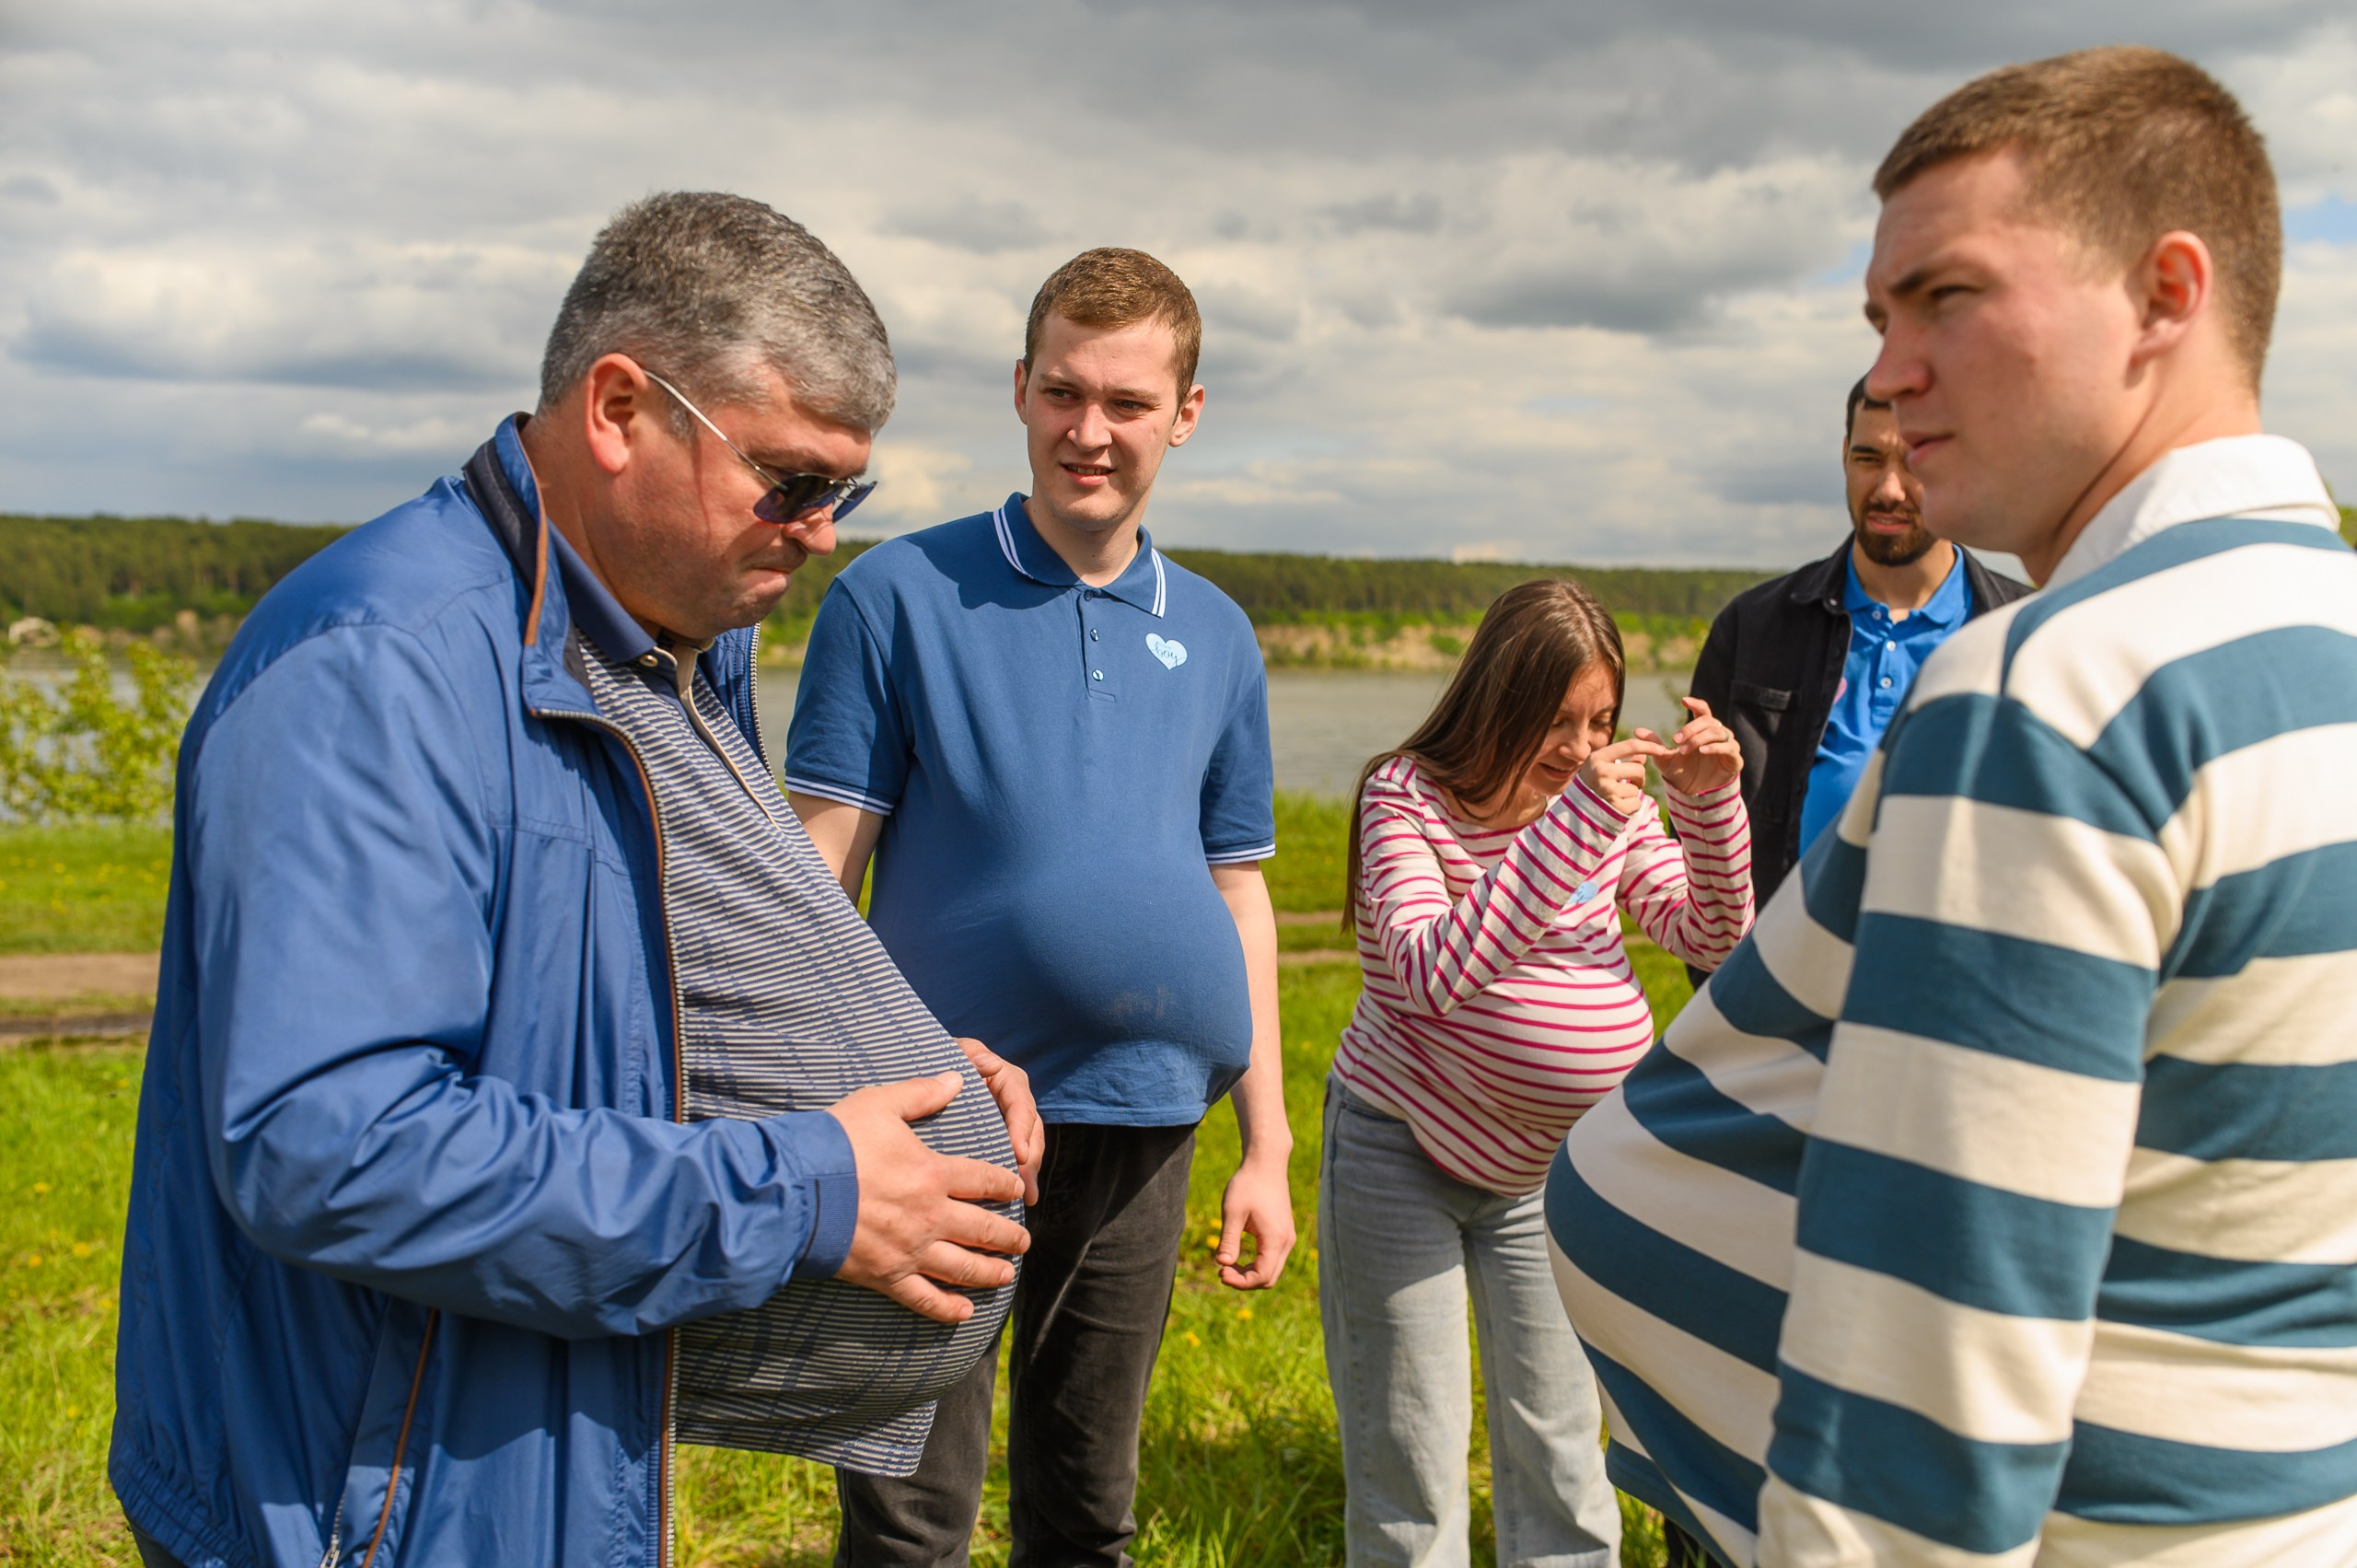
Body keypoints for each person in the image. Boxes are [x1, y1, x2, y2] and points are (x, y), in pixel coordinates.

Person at [109, 192, 1041, 1568]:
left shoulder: (663, 643)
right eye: (789, 482)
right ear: (618, 408)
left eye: (848, 492)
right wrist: (802, 1185)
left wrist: (899, 1084)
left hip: (534, 1452)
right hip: (355, 1501)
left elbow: (616, 1006)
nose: (822, 532)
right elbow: (329, 1141)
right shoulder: (378, 669)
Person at [1549, 46, 2357, 1567]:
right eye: (1880, 316)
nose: (1894, 371)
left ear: (2167, 294)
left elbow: (1919, 1442)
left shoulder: (2057, 692)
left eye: (1950, 298)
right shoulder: (2314, 641)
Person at [785, 247, 1294, 1566]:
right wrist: (806, 1098)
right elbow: (816, 864)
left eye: (1128, 402)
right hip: (941, 1112)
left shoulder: (1220, 633)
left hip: (1148, 1107)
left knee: (1088, 1503)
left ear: (1185, 413)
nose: (1090, 430)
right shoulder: (896, 594)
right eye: (1063, 390)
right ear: (1019, 387)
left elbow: (1238, 886)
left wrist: (1269, 1142)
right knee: (911, 1509)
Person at [1322, 579, 1753, 1567]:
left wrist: (1708, 803)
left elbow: (1715, 934)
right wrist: (1571, 830)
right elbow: (1431, 970)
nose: (1580, 746)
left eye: (1600, 719)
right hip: (1401, 1149)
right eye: (1555, 721)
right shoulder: (1407, 795)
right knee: (1411, 1450)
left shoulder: (1603, 805)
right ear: (1496, 702)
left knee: (1563, 1454)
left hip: (1550, 1170)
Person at [1688, 377, 2032, 923]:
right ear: (1844, 456)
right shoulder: (1752, 630)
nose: (1889, 489)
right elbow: (1702, 834)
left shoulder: (2028, 634)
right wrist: (1726, 983)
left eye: (1914, 461)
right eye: (1868, 457)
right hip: (1783, 997)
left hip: (1958, 989)